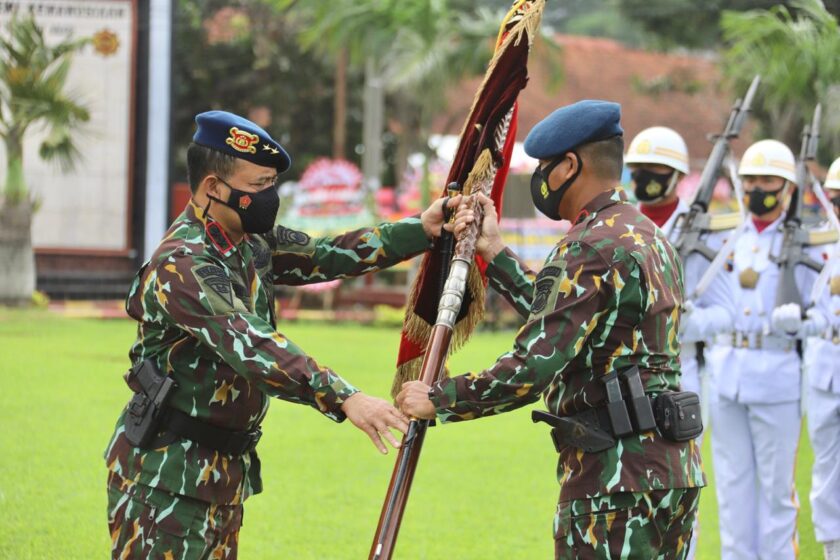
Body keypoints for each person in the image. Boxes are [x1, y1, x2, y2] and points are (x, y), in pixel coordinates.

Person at [104, 110, 451, 559]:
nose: (269, 197)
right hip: (165, 476)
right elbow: (250, 342)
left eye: (272, 184)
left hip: (219, 475)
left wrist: (419, 230)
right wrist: (345, 396)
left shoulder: (250, 240)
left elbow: (327, 254)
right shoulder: (183, 263)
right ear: (213, 187)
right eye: (257, 187)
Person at [397, 100, 705, 559]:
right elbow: (571, 326)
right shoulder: (647, 236)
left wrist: (438, 399)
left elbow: (533, 365)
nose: (540, 177)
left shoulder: (590, 247)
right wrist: (496, 254)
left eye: (544, 167)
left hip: (613, 478)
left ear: (569, 166)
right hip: (670, 471)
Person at [625, 126, 736, 560]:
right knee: (629, 486)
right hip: (625, 374)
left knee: (678, 488)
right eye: (639, 170)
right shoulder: (623, 224)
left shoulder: (703, 232)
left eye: (656, 171)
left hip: (680, 374)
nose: (646, 179)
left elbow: (725, 314)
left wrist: (683, 320)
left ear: (677, 176)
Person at [706, 139, 819, 559]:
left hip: (776, 378)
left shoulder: (808, 242)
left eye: (767, 179)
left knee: (776, 498)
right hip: (727, 377)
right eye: (750, 178)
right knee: (733, 497)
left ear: (788, 187)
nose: (757, 187)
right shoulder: (725, 236)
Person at [775, 156, 840, 560]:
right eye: (837, 199)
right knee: (827, 474)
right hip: (825, 373)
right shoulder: (816, 245)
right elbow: (791, 304)